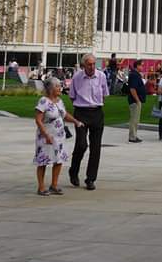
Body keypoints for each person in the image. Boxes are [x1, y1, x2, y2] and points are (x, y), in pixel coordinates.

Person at [33, 77, 84, 196]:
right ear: (50, 89)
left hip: (59, 136)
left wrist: (76, 121)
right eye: (57, 86)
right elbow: (38, 120)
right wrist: (46, 135)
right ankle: (41, 187)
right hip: (46, 136)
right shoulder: (43, 101)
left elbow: (64, 115)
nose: (60, 88)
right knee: (43, 161)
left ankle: (54, 185)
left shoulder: (59, 101)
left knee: (59, 159)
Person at [67, 54, 110, 191]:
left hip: (97, 112)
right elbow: (72, 97)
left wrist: (96, 104)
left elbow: (104, 94)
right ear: (83, 65)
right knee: (81, 144)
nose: (92, 67)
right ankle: (73, 171)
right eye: (89, 64)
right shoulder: (77, 78)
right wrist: (81, 106)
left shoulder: (101, 76)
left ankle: (90, 178)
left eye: (93, 64)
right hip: (81, 112)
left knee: (95, 148)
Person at [126, 59, 146, 143]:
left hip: (137, 100)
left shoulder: (137, 74)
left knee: (136, 119)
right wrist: (137, 100)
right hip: (135, 101)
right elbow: (132, 89)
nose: (142, 67)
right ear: (137, 66)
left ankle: (134, 135)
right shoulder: (134, 75)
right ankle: (132, 137)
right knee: (134, 119)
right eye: (141, 65)